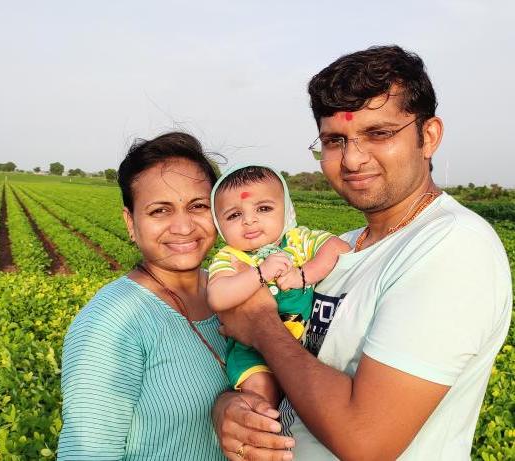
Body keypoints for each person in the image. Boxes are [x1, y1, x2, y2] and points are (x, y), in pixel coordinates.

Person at [212, 45, 512, 460]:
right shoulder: (343, 246)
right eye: (334, 140)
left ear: (428, 136)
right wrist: (229, 408)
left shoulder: (453, 247)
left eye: (379, 133)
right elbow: (300, 366)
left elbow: (366, 440)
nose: (352, 159)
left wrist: (260, 325)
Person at [58, 132, 229, 460]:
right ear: (131, 222)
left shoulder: (235, 292)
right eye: (160, 211)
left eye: (197, 206)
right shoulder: (111, 322)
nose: (183, 227)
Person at [207, 164, 349, 407]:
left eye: (263, 208)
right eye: (234, 215)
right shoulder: (230, 257)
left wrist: (303, 275)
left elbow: (339, 248)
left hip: (305, 347)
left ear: (287, 211)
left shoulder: (299, 240)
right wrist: (260, 273)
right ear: (219, 226)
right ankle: (264, 426)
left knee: (316, 393)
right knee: (260, 392)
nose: (249, 220)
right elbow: (218, 296)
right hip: (252, 352)